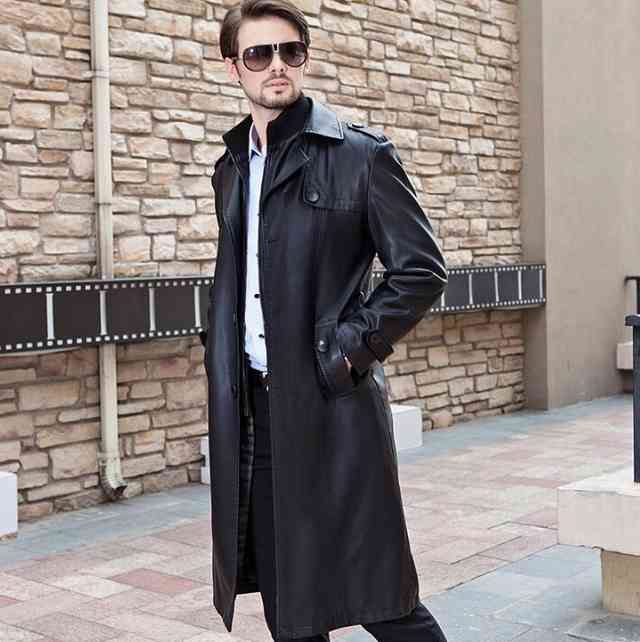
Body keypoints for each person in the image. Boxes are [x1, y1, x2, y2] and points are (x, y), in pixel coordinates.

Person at [200, 0, 449, 640]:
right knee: (288, 602)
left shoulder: (360, 155)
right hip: (254, 411)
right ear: (234, 67)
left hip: (333, 406)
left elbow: (420, 270)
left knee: (382, 599)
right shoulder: (231, 169)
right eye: (259, 53)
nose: (276, 65)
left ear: (304, 58)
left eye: (290, 51)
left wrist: (348, 350)